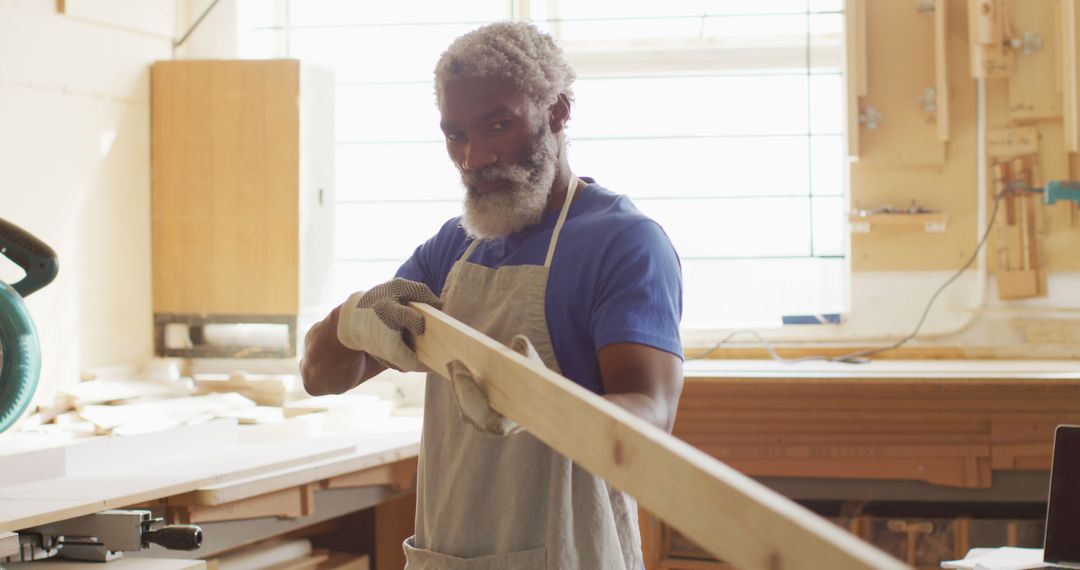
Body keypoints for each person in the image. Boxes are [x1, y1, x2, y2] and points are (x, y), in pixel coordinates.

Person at [301, 21, 683, 570]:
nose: (472, 157)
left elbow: (653, 415)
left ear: (557, 112)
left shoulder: (623, 241)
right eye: (454, 134)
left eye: (497, 125)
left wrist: (541, 407)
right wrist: (354, 320)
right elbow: (319, 376)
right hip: (447, 556)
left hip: (569, 555)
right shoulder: (453, 246)